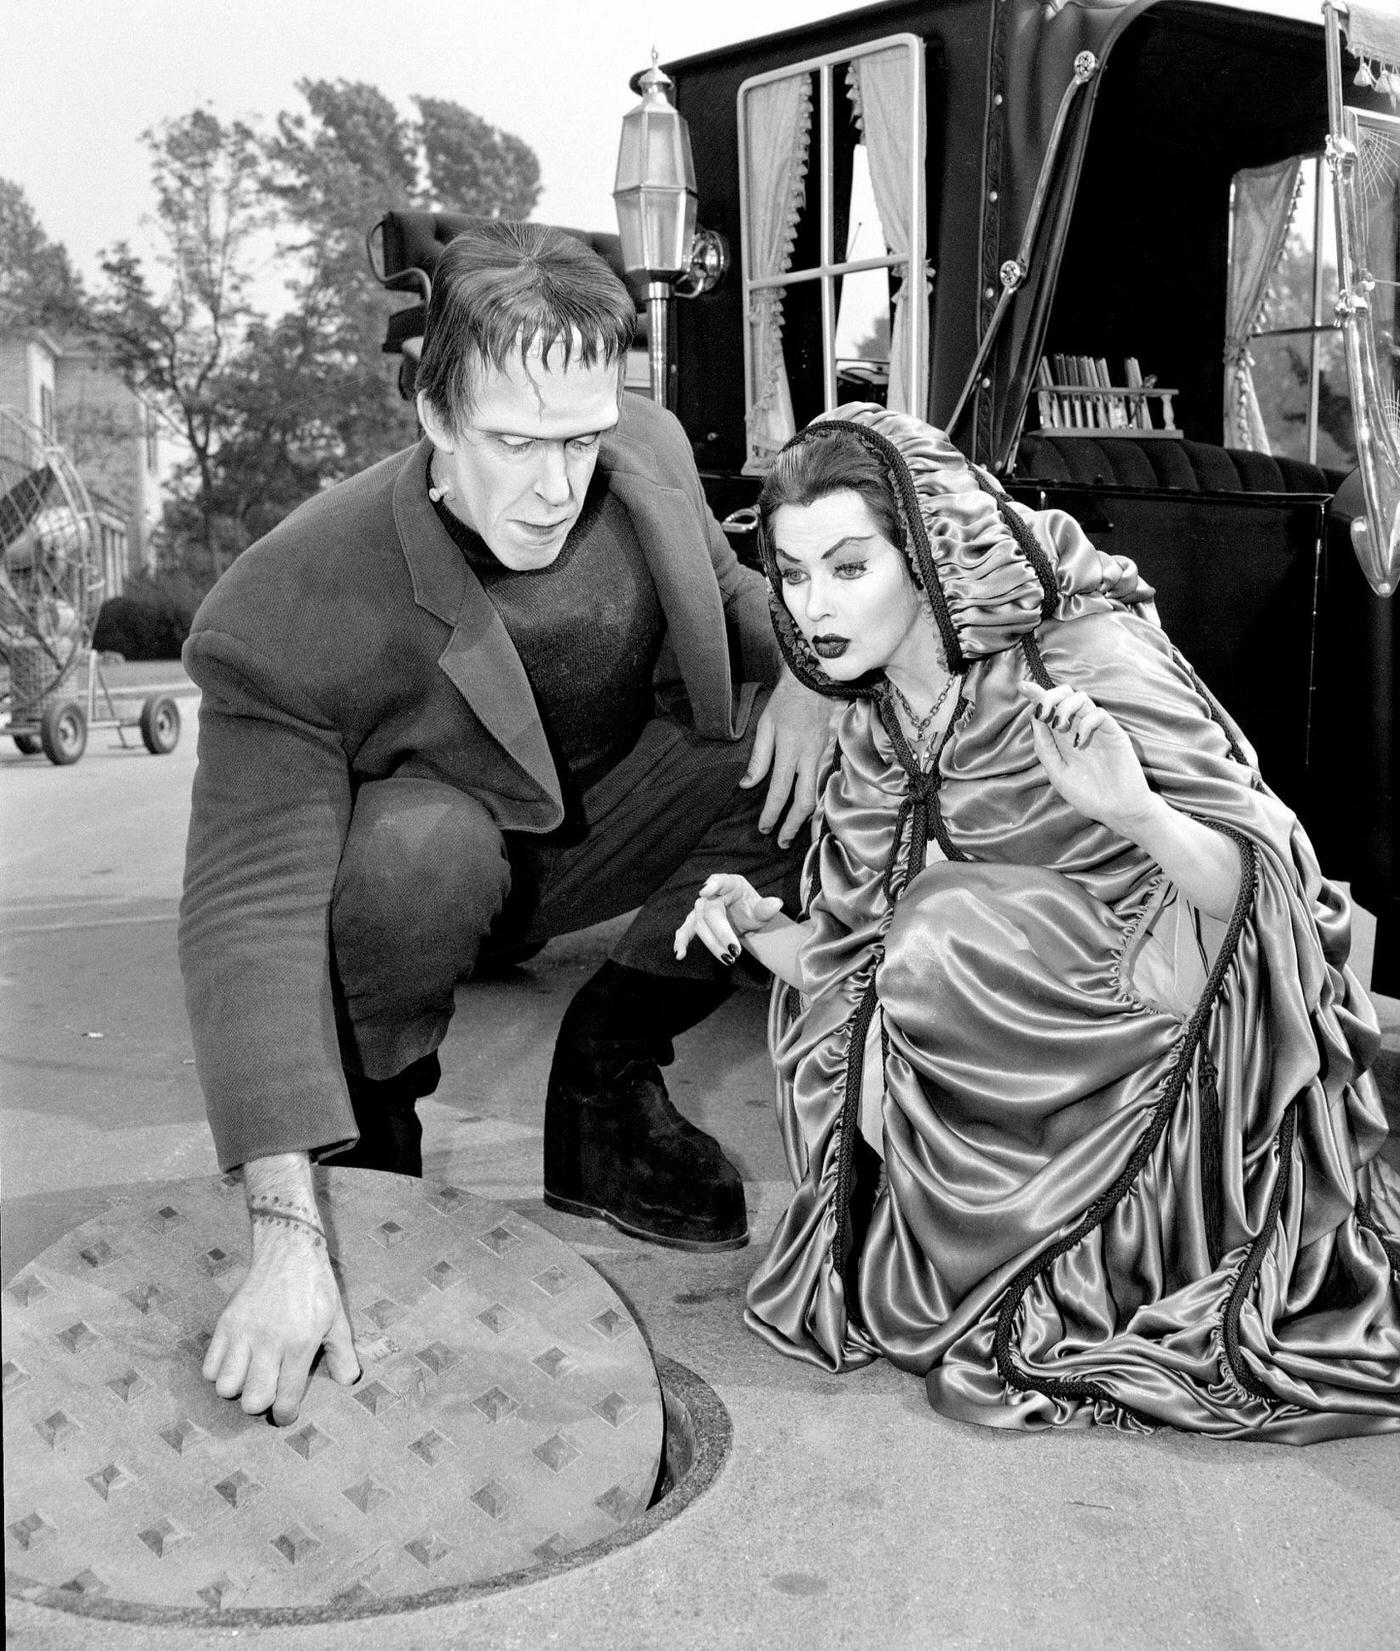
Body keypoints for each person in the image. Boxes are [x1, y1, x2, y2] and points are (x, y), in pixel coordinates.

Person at [180, 222, 834, 1425]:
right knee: (424, 847)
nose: (554, 484)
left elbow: (736, 594)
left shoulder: (643, 447)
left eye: (579, 438)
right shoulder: (285, 604)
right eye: (515, 442)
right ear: (433, 415)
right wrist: (283, 1223)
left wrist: (806, 672)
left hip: (607, 825)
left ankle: (605, 1091)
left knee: (807, 753)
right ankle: (373, 1137)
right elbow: (246, 915)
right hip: (428, 879)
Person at [677, 403, 1400, 1442]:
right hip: (1008, 1030)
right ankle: (966, 1254)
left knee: (936, 929)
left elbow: (1269, 884)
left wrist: (1132, 810)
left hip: (1170, 1031)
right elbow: (850, 960)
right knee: (874, 989)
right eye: (791, 576)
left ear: (928, 554)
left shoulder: (1078, 659)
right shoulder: (877, 727)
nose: (812, 606)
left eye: (846, 567)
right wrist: (753, 923)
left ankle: (1074, 1254)